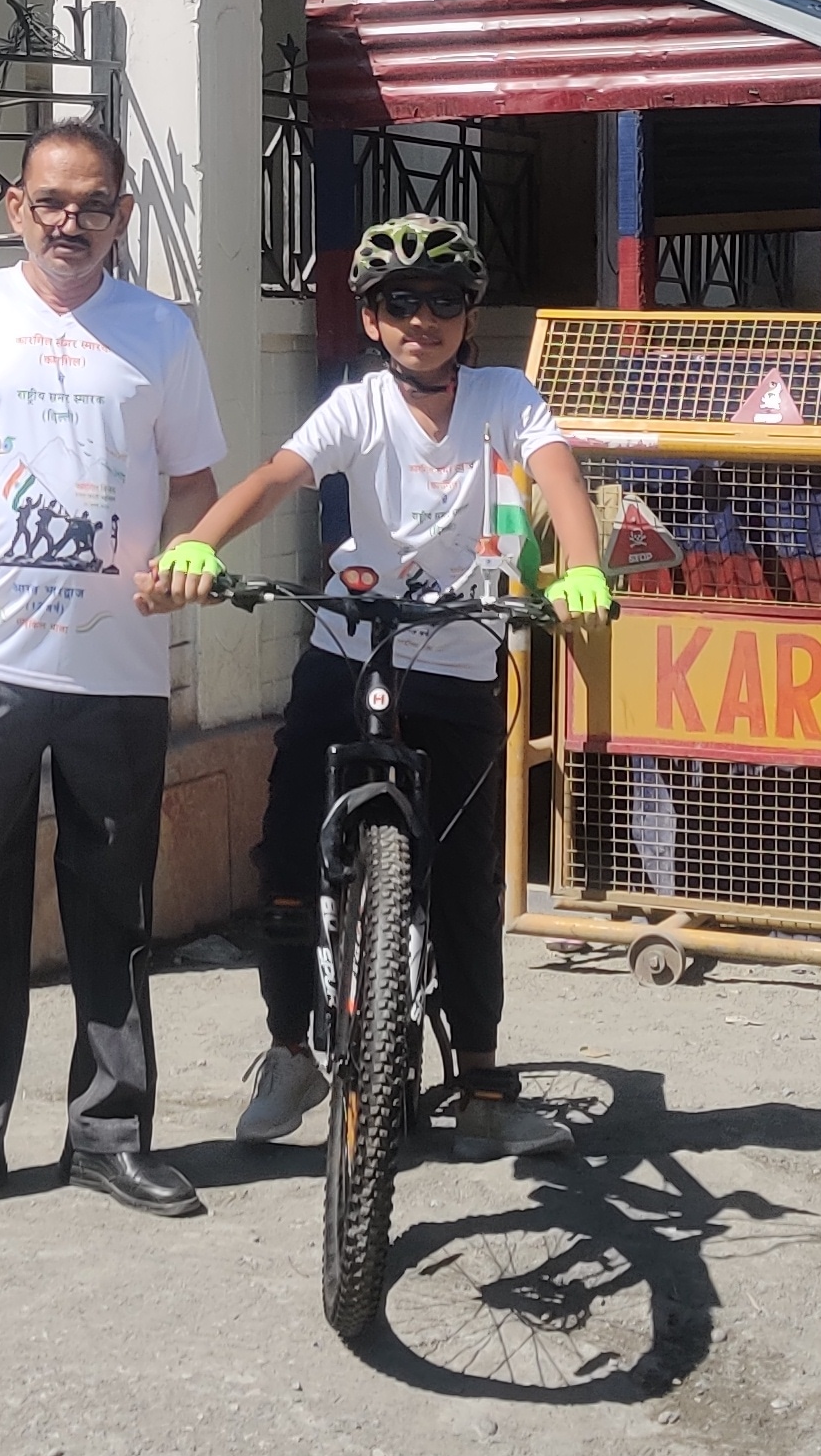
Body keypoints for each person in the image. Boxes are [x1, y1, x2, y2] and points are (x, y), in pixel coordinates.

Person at [139, 215, 612, 1160]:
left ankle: (480, 1086)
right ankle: (288, 1053)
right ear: (371, 318)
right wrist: (198, 543)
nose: (422, 319)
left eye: (443, 301)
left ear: (469, 316)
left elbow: (556, 471)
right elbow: (280, 474)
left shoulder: (504, 394)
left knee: (468, 883)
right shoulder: (357, 406)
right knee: (282, 858)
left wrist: (582, 563)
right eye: (401, 303)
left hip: (463, 660)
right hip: (346, 656)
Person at [0, 117, 226, 1229]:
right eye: (53, 203)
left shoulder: (160, 332)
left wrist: (189, 551)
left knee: (112, 912)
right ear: (18, 208)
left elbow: (194, 484)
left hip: (116, 668)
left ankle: (109, 1136)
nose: (73, 222)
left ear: (123, 216)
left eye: (97, 205)